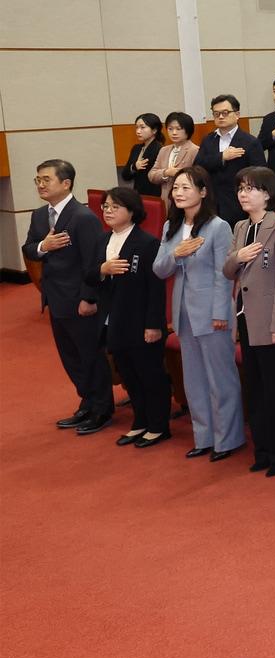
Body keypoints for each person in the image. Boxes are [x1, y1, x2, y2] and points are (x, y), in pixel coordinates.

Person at [152, 166, 245, 460]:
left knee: (221, 378)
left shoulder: (218, 226)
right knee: (193, 379)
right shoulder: (171, 227)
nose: (178, 193)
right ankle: (203, 436)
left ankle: (227, 439)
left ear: (203, 192)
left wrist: (220, 312)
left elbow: (224, 275)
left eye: (186, 188)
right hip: (183, 311)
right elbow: (159, 269)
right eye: (176, 188)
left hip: (212, 311)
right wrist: (175, 252)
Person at [23, 160, 113, 433]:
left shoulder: (82, 217)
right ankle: (87, 402)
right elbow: (29, 248)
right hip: (55, 297)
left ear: (66, 183)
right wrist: (43, 245)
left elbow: (94, 261)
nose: (40, 184)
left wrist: (89, 299)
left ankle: (101, 409)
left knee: (90, 355)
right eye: (37, 179)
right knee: (70, 356)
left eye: (46, 179)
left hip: (79, 299)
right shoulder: (39, 215)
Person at [221, 166, 275, 474]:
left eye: (250, 189)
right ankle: (264, 449)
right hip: (245, 318)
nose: (243, 194)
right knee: (253, 386)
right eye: (240, 189)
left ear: (267, 194)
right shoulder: (240, 227)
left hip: (272, 322)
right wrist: (237, 258)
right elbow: (227, 270)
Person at [94, 187, 170, 447]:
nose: (108, 211)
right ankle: (140, 421)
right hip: (113, 321)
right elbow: (88, 276)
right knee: (128, 374)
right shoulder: (103, 240)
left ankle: (159, 425)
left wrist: (153, 325)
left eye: (115, 206)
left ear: (131, 210)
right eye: (105, 206)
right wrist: (102, 269)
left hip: (141, 322)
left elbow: (156, 289)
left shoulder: (147, 243)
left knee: (149, 374)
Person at [195, 95, 267, 225]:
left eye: (225, 113)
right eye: (216, 114)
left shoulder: (250, 142)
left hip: (238, 203)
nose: (221, 117)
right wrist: (222, 157)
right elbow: (198, 166)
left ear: (237, 114)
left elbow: (261, 175)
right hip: (211, 203)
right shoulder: (208, 139)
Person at [150, 112, 197, 202]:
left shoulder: (194, 150)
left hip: (186, 199)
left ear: (188, 130)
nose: (174, 133)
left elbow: (197, 177)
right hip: (166, 199)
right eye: (170, 129)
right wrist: (166, 172)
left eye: (178, 129)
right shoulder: (164, 150)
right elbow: (151, 175)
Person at [121, 114, 165, 198]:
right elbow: (125, 175)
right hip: (138, 195)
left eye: (142, 127)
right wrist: (134, 167)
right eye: (137, 127)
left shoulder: (160, 149)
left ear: (154, 130)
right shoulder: (136, 148)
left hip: (154, 196)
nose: (138, 131)